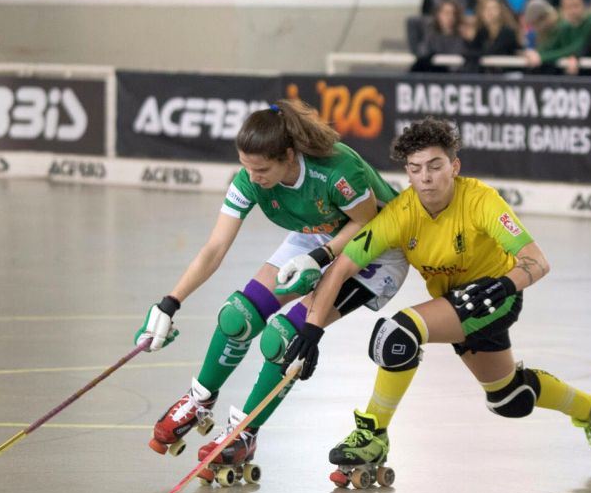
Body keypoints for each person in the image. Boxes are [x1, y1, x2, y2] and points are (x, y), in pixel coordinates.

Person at [282, 117, 591, 481]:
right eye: (415, 169)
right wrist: (313, 330)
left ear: (454, 167)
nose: (425, 177)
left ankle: (373, 434)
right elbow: (341, 267)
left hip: (496, 298)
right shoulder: (400, 214)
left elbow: (537, 261)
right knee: (510, 398)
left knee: (397, 334)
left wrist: (506, 285)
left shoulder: (480, 201)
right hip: (456, 305)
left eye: (435, 166)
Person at [136, 99, 408, 473]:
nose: (253, 176)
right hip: (317, 235)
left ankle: (246, 432)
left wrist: (321, 257)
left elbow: (367, 224)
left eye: (262, 169)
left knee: (283, 337)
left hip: (375, 247)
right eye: (246, 167)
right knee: (239, 316)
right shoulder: (250, 178)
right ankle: (199, 399)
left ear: (289, 156)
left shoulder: (337, 169)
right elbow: (215, 247)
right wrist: (171, 301)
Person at [524, 0, 591, 74]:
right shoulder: (563, 26)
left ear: (583, 5)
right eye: (568, 7)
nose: (573, 11)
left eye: (576, 6)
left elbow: (575, 48)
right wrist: (534, 53)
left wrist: (542, 57)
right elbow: (550, 47)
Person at [409, 0, 466, 73]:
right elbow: (421, 54)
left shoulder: (462, 39)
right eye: (446, 13)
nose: (450, 17)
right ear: (438, 15)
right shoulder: (431, 37)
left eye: (453, 13)